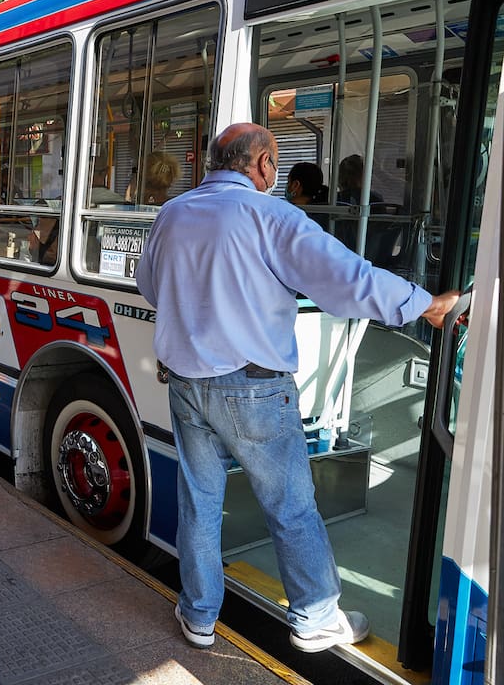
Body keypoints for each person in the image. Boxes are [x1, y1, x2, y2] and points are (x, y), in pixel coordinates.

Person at [134, 123, 459, 654]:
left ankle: (197, 616)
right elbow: (348, 279)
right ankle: (314, 618)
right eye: (275, 162)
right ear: (261, 163)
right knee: (290, 507)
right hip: (255, 389)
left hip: (187, 385)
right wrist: (423, 303)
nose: (275, 173)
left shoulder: (174, 213)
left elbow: (151, 285)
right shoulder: (273, 217)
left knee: (199, 503)